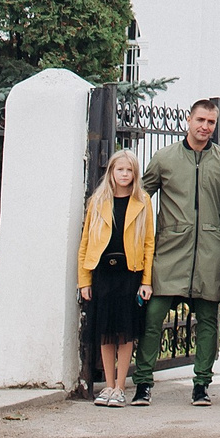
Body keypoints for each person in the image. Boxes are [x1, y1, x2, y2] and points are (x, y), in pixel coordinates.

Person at [136, 99, 220, 408]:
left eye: (211, 122)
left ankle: (201, 385)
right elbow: (142, 196)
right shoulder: (165, 158)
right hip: (170, 251)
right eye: (201, 120)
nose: (205, 127)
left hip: (210, 251)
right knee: (153, 317)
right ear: (188, 120)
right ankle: (143, 383)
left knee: (208, 318)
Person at [78, 149, 155, 408]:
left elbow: (148, 243)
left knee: (125, 331)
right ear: (111, 172)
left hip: (129, 272)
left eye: (129, 170)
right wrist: (84, 280)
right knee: (105, 331)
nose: (124, 174)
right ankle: (108, 387)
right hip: (103, 272)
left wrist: (146, 281)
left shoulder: (142, 201)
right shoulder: (98, 201)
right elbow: (86, 241)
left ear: (135, 174)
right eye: (119, 169)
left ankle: (121, 387)